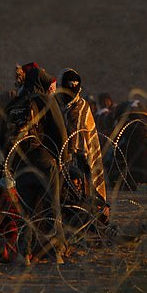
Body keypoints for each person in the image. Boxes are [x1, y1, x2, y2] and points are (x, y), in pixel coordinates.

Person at [1, 62, 68, 263]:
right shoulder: (45, 100)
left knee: (26, 213)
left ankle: (25, 254)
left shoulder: (14, 102)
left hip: (21, 164)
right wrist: (61, 160)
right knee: (51, 208)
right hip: (44, 163)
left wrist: (10, 165)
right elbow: (60, 132)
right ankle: (54, 253)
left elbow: (3, 138)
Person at [56, 68, 107, 211]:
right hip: (68, 157)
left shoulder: (80, 107)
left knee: (83, 191)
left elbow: (77, 144)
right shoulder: (60, 104)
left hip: (80, 158)